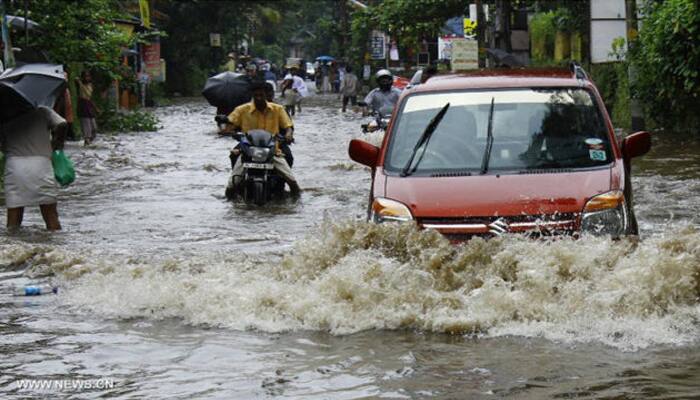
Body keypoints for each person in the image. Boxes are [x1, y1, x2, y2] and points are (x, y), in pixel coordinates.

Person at [223, 80, 300, 197]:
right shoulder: (242, 110)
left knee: (292, 181)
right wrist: (228, 131)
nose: (258, 98)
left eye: (261, 95)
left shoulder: (278, 109)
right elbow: (230, 124)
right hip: (247, 147)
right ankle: (235, 192)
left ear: (266, 95)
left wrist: (289, 134)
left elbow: (288, 126)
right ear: (252, 95)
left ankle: (285, 189)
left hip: (273, 147)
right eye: (256, 95)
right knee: (231, 184)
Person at [1, 106, 67, 230]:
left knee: (13, 218)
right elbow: (62, 124)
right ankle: (58, 247)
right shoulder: (43, 110)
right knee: (50, 215)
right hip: (41, 164)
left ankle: (12, 247)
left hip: (15, 166)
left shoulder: (4, 114)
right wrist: (57, 145)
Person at [75, 70, 98, 146]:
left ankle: (89, 139)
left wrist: (95, 107)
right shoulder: (79, 85)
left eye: (88, 76)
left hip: (89, 105)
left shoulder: (90, 85)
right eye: (85, 76)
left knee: (94, 126)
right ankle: (86, 139)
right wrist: (79, 82)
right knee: (86, 124)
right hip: (83, 105)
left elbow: (89, 95)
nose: (87, 78)